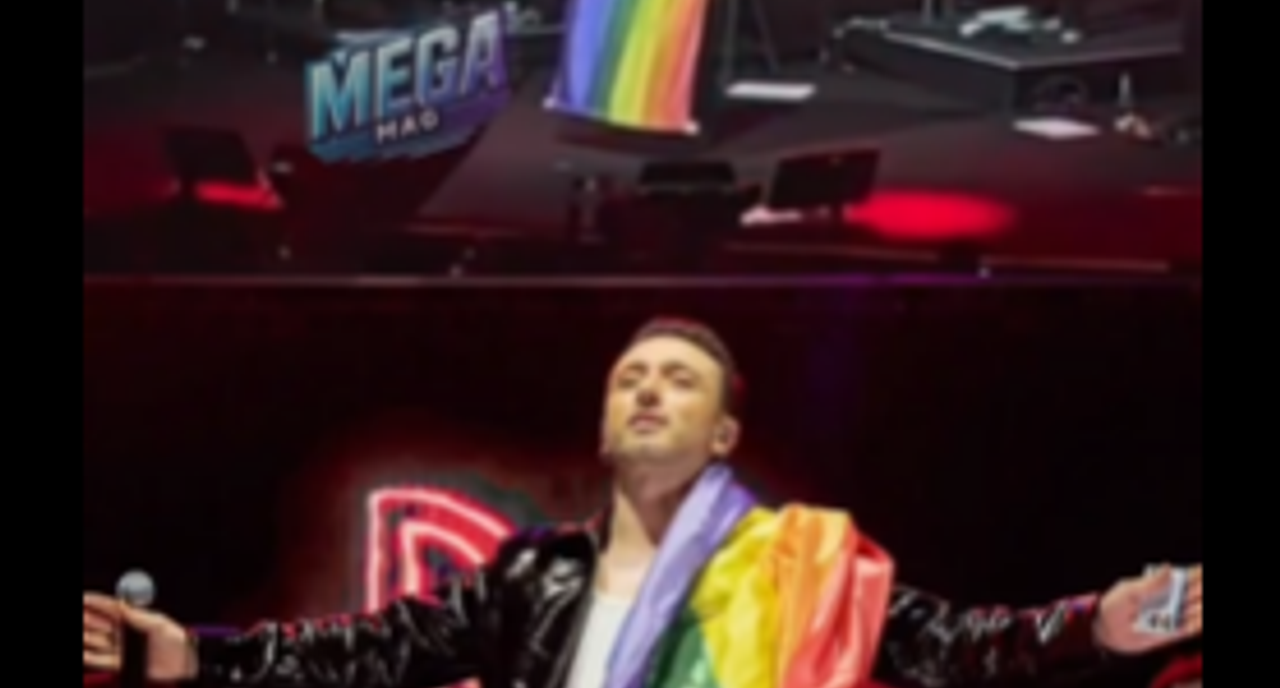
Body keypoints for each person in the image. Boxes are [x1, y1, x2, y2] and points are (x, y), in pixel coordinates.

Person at [83, 317, 1204, 688]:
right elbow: (367, 655)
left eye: (679, 379)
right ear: (605, 427)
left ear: (722, 435)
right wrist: (193, 658)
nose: (648, 390)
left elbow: (960, 650)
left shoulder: (801, 568)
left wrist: (1096, 627)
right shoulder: (535, 576)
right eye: (630, 378)